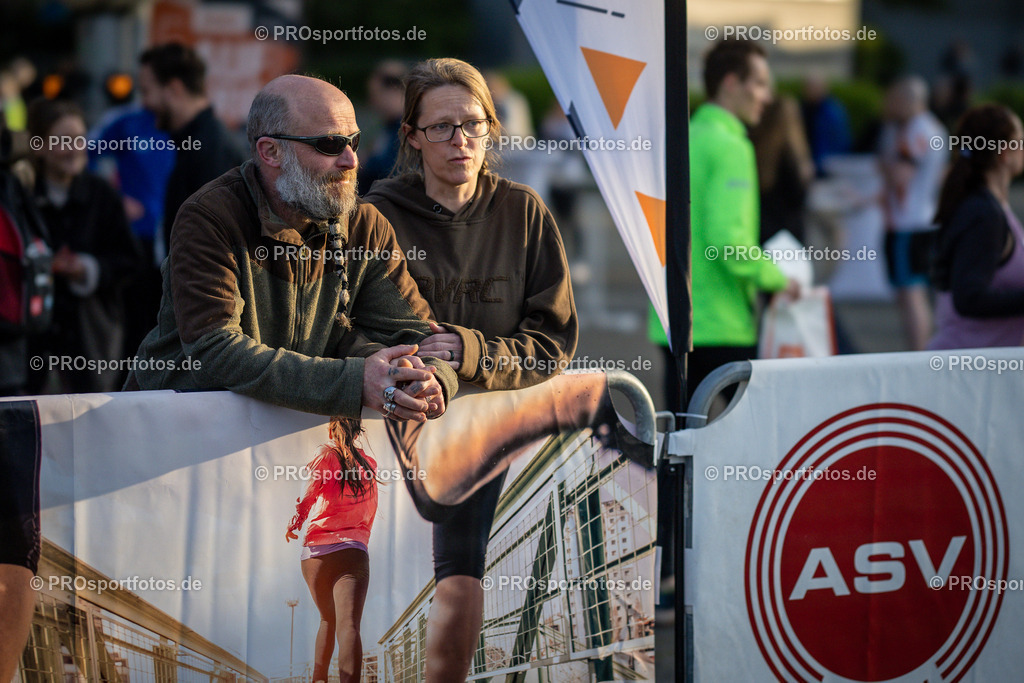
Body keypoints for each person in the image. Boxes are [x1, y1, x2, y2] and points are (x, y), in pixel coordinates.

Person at [363, 57, 577, 682]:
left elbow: (552, 343)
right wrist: (406, 365)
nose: (460, 140)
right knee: (380, 587)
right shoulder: (377, 214)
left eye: (473, 124)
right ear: (411, 136)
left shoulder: (524, 212)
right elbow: (347, 327)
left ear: (492, 128)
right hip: (389, 425)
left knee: (460, 571)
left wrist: (470, 351)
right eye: (441, 127)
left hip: (485, 435)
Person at [124, 74, 455, 423]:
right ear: (270, 151)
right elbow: (214, 350)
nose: (350, 161)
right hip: (177, 432)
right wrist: (354, 382)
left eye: (354, 142)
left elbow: (418, 332)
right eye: (329, 143)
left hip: (284, 435)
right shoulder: (210, 217)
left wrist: (432, 380)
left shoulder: (364, 224)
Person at [689, 39, 799, 397]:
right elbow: (729, 243)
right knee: (756, 444)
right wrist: (777, 278)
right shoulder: (732, 145)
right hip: (723, 324)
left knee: (683, 444)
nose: (767, 98)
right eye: (761, 84)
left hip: (674, 321)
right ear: (731, 83)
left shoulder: (685, 136)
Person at [27, 98, 141, 393]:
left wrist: (85, 269)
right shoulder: (22, 197)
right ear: (38, 145)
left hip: (92, 339)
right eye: (63, 140)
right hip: (32, 344)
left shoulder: (102, 195)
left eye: (79, 138)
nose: (75, 148)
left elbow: (129, 261)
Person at [287, 417, 377, 683]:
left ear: (331, 429)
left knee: (327, 619)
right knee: (348, 624)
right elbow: (370, 511)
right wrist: (359, 540)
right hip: (352, 551)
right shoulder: (369, 465)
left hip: (316, 554)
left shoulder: (325, 454)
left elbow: (310, 494)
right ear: (358, 432)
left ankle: (318, 680)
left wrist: (295, 524)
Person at [137, 43, 246, 260]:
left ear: (174, 89)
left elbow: (213, 250)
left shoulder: (210, 150)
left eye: (147, 91)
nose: (144, 103)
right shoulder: (200, 143)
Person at [929, 104, 1024, 349]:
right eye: (1020, 141)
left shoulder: (989, 205)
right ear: (1005, 152)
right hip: (964, 373)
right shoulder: (983, 214)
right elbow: (969, 297)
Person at [878, 76, 947, 350]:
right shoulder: (934, 128)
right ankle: (920, 354)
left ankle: (919, 356)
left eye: (894, 100)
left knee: (911, 294)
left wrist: (882, 164)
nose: (890, 105)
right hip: (923, 218)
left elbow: (899, 175)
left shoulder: (914, 132)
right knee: (913, 293)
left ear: (909, 101)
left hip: (908, 223)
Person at [749, 94, 815, 244]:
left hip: (762, 229)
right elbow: (798, 197)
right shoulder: (791, 155)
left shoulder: (757, 148)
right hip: (787, 236)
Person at [356, 60, 407, 191]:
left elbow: (392, 169)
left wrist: (364, 163)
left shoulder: (405, 129)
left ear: (393, 91)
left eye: (375, 95)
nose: (373, 103)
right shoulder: (388, 126)